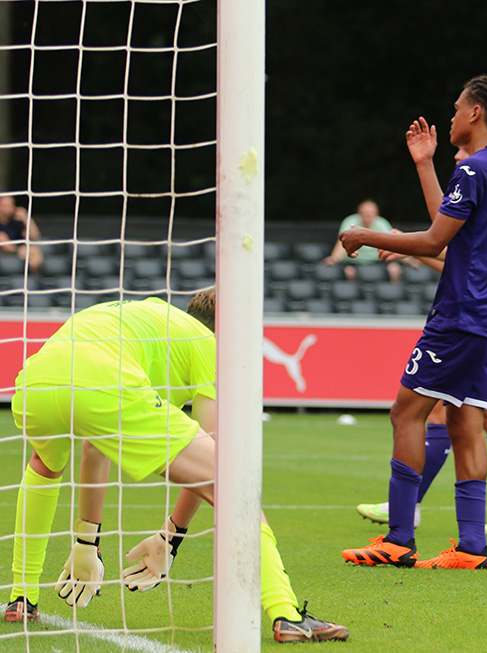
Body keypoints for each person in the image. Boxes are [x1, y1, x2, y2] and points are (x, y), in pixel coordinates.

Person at [3, 290, 348, 643]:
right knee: (234, 482)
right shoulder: (211, 344)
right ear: (234, 330)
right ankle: (286, 615)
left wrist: (86, 543)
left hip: (35, 381)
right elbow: (216, 454)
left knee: (44, 465)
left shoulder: (158, 318)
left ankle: (21, 597)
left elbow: (95, 447)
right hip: (101, 381)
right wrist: (172, 537)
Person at [338, 74, 487, 570]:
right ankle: (471, 547)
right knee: (465, 420)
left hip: (462, 316)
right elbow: (447, 234)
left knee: (405, 413)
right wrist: (425, 165)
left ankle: (399, 539)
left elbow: (431, 243)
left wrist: (364, 234)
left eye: (455, 109)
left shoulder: (475, 171)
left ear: (475, 113)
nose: (449, 117)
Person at [322, 199, 405, 282]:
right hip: (355, 262)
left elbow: (393, 244)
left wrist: (409, 259)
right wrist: (334, 258)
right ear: (359, 213)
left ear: (376, 214)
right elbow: (342, 242)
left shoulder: (382, 223)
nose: (367, 216)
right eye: (365, 213)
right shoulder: (350, 221)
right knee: (349, 272)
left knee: (395, 269)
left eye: (370, 213)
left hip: (378, 261)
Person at [0, 196, 44, 273]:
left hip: (18, 253)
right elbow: (6, 245)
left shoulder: (15, 223)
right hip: (4, 254)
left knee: (34, 250)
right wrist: (22, 250)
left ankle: (33, 277)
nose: (8, 208)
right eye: (5, 205)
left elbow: (35, 236)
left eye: (10, 205)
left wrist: (25, 218)